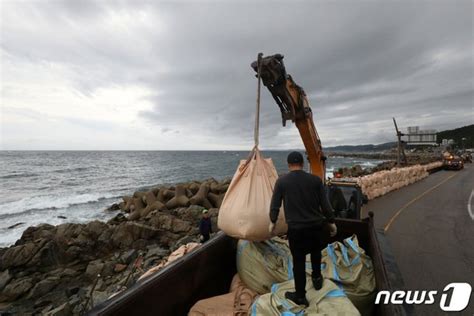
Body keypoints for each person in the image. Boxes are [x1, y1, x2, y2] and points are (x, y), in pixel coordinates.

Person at [269, 151, 337, 307]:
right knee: (316, 253)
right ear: (303, 164)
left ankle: (300, 295)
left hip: (296, 229)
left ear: (288, 165)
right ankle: (317, 279)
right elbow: (325, 205)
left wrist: (272, 221)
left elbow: (275, 204)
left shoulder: (282, 182)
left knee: (298, 261)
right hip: (316, 226)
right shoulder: (315, 180)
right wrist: (332, 222)